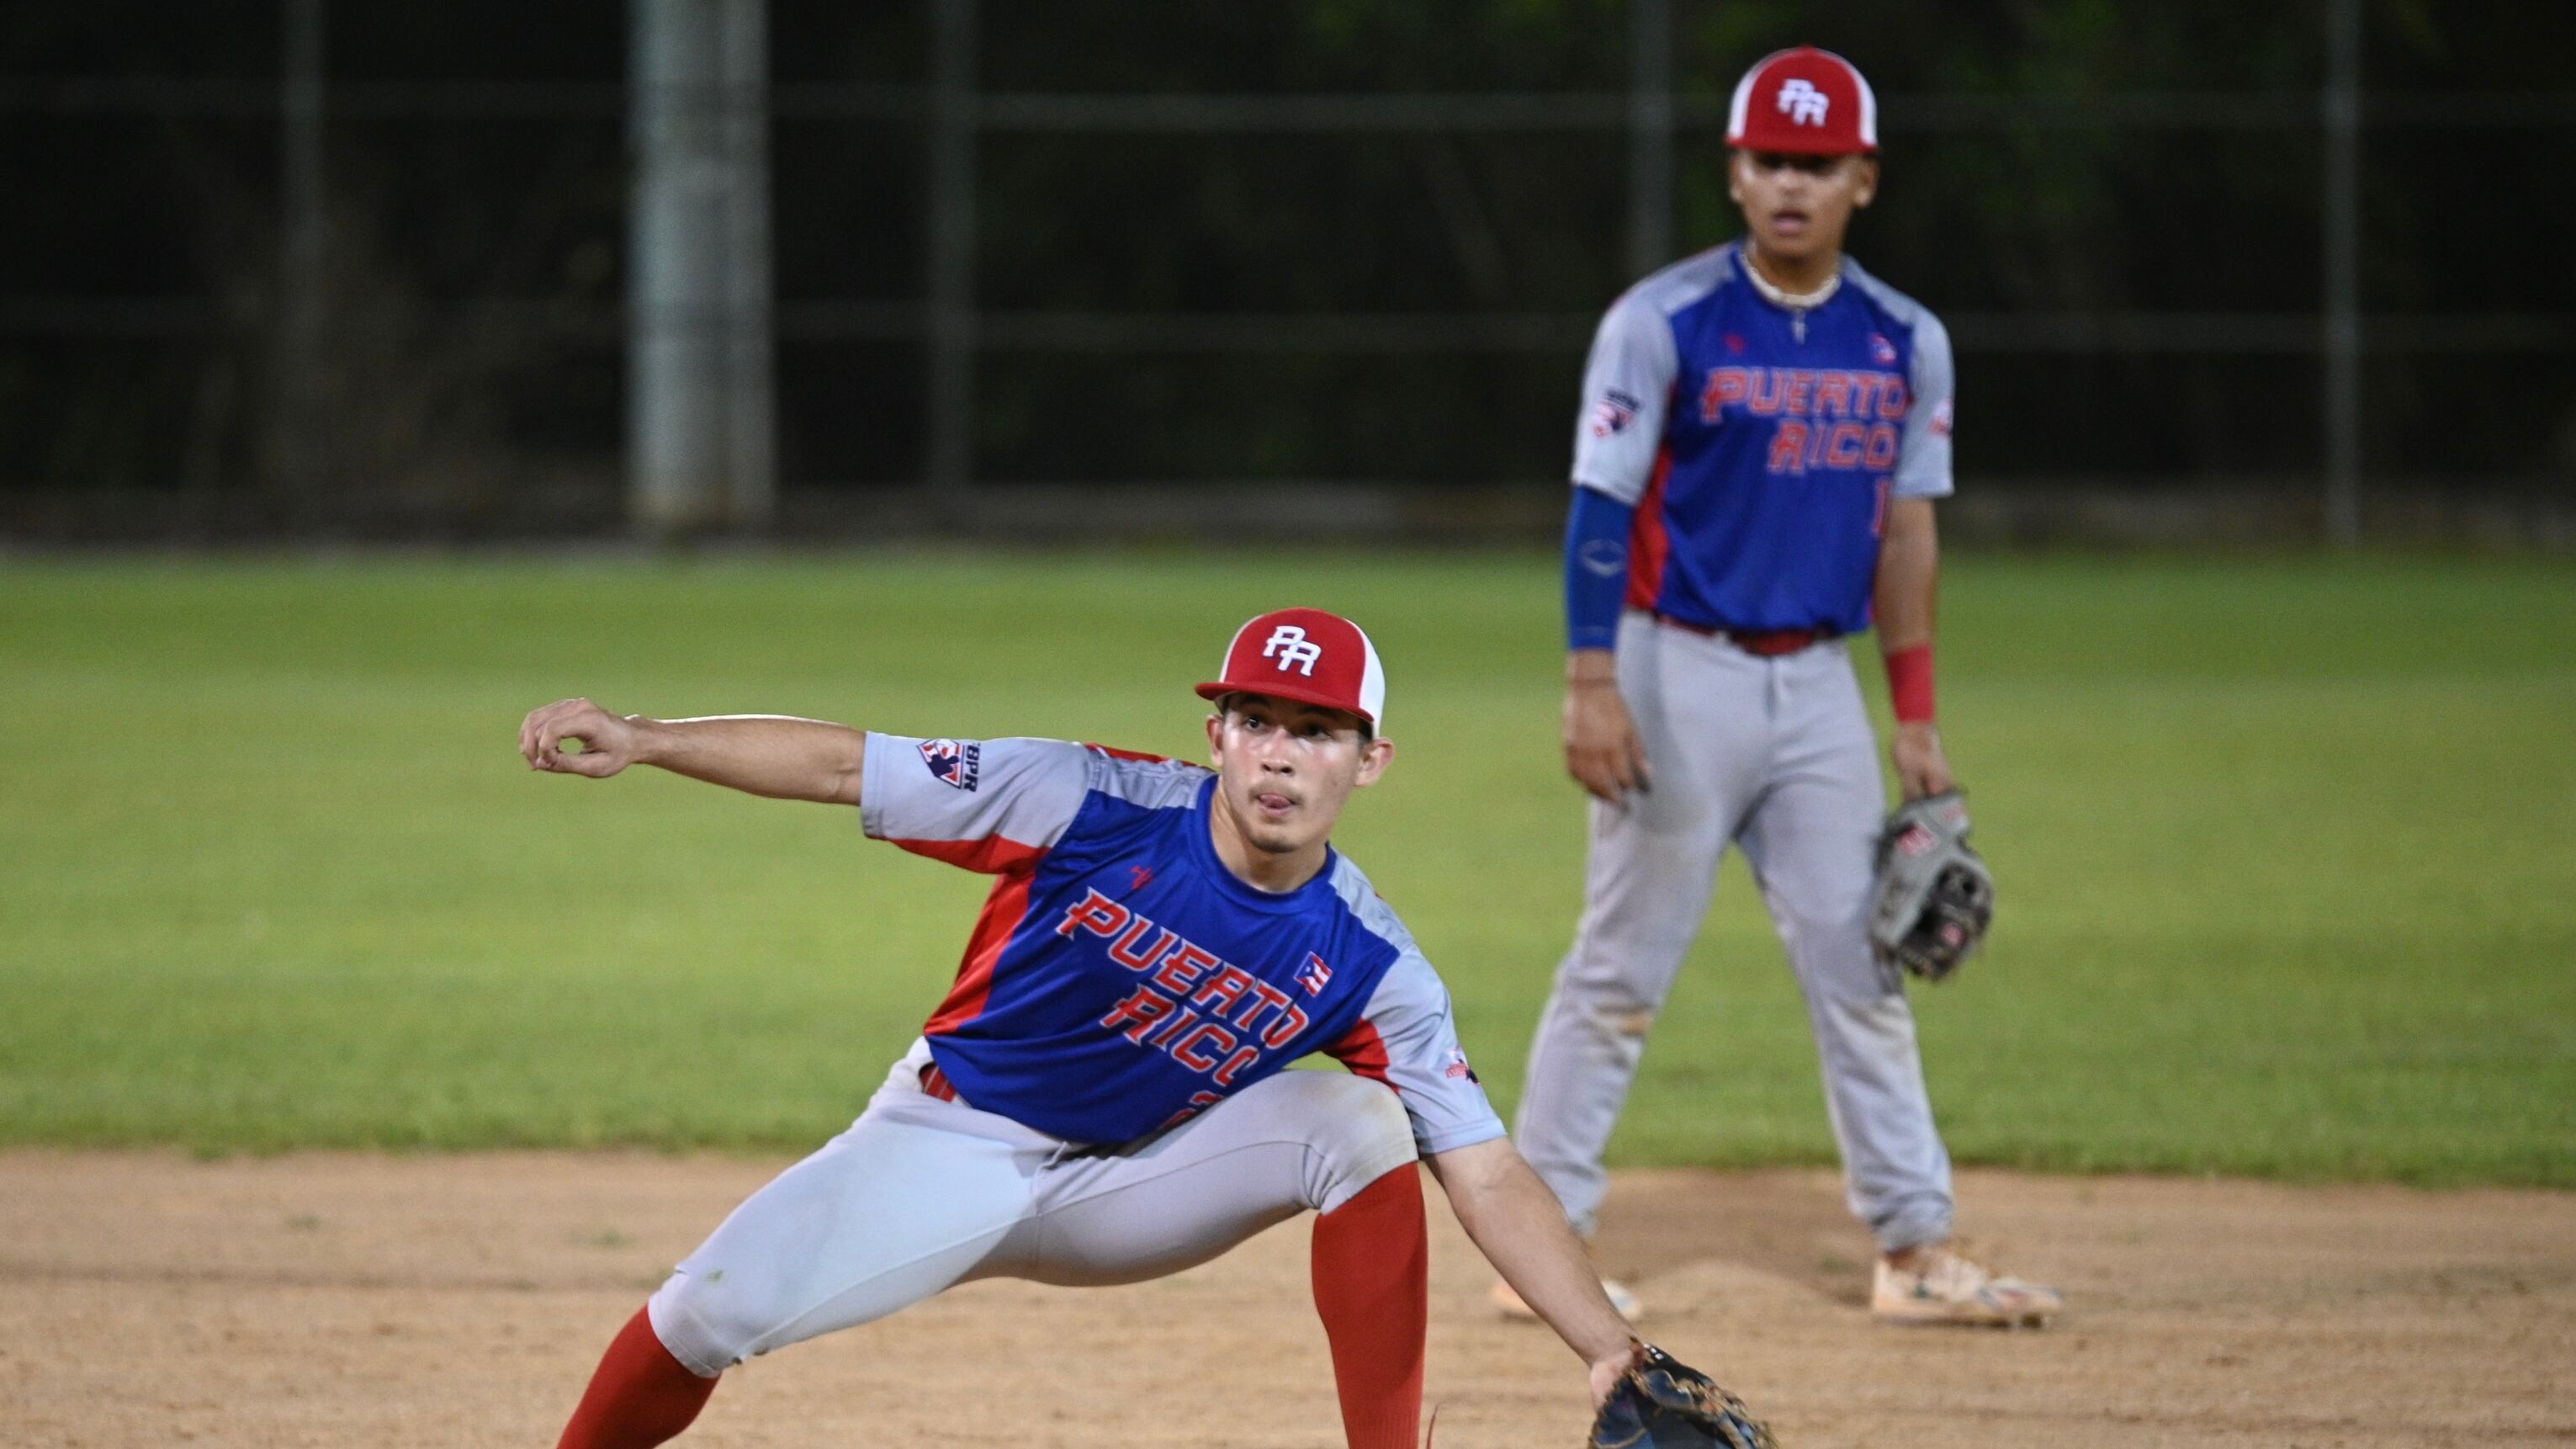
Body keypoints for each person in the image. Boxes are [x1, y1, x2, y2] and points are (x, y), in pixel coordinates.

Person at [523, 608, 1720, 1448]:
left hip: (1131, 1191)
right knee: (700, 1316)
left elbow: (1486, 1165)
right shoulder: (1082, 799)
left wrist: (1607, 1347)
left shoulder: (1369, 959)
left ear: (1371, 760)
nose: (1277, 754)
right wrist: (646, 737)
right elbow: (849, 765)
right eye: (1255, 719)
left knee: (1362, 1120)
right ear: (1216, 735)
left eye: (1314, 730)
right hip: (947, 1142)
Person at [1500, 46, 2062, 1328]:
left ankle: (1913, 1247)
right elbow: (1600, 506)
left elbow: (1907, 534)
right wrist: (1591, 678)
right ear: (1735, 175)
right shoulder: (1663, 322)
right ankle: (1535, 1240)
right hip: (1669, 665)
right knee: (1622, 971)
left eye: (1817, 163)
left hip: (1816, 684)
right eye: (1769, 160)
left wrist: (1911, 714)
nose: (1791, 183)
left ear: (1862, 177)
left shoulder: (1902, 339)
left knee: (1863, 968)